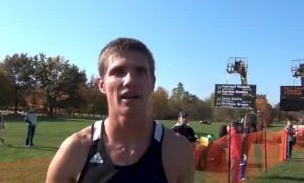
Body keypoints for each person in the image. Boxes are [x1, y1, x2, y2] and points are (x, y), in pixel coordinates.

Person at [46, 38, 194, 183]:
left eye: (140, 71)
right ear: (101, 84)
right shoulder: (75, 150)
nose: (130, 80)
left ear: (152, 82)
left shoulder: (177, 150)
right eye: (118, 71)